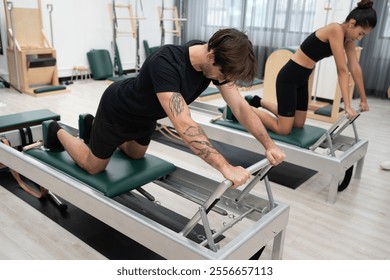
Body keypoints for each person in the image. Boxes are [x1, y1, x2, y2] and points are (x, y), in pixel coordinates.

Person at [47, 28, 286, 188]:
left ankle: (93, 127)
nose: (223, 80)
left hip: (146, 117)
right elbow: (184, 124)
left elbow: (242, 108)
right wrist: (225, 167)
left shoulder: (211, 58)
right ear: (212, 57)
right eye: (223, 74)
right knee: (94, 167)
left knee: (135, 155)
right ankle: (57, 131)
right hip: (119, 109)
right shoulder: (166, 62)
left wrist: (269, 145)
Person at [249, 0, 377, 135]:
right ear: (352, 23)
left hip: (303, 79)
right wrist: (347, 105)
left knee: (298, 124)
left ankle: (259, 101)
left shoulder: (348, 40)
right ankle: (244, 108)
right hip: (289, 77)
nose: (360, 37)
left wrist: (363, 99)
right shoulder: (335, 30)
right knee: (284, 129)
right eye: (361, 33)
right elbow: (342, 70)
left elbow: (355, 68)